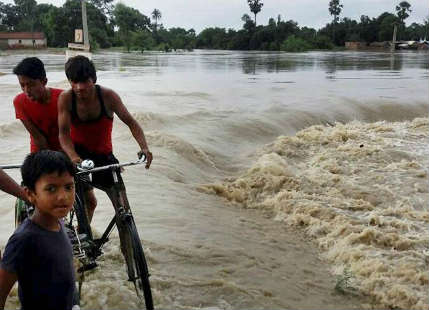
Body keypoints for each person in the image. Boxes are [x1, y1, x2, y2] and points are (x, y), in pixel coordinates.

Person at [58, 55, 153, 222]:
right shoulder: (66, 99)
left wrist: (144, 148)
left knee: (123, 209)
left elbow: (131, 123)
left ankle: (128, 247)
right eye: (74, 82)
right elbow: (64, 134)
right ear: (69, 81)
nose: (79, 88)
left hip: (105, 157)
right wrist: (73, 157)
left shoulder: (109, 96)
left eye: (85, 81)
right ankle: (83, 236)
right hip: (78, 157)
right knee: (88, 202)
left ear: (94, 79)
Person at [0, 150, 76, 310]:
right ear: (30, 194)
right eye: (51, 189)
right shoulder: (24, 239)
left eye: (69, 187)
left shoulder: (59, 223)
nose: (63, 196)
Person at [13, 57, 63, 152]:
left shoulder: (63, 98)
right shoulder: (19, 102)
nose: (27, 90)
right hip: (40, 150)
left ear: (44, 81)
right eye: (22, 85)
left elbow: (73, 133)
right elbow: (38, 138)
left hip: (67, 149)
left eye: (31, 84)